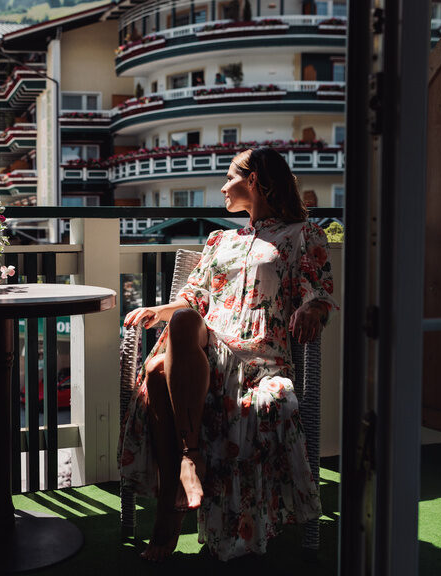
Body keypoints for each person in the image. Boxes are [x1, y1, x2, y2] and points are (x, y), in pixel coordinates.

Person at [119, 147, 337, 562]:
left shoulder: (302, 235)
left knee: (159, 370)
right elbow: (194, 298)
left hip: (258, 359)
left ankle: (170, 510)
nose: (222, 187)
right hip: (207, 350)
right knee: (182, 321)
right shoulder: (220, 240)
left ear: (253, 180)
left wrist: (312, 308)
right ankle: (190, 457)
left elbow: (319, 291)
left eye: (229, 177)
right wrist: (156, 310)